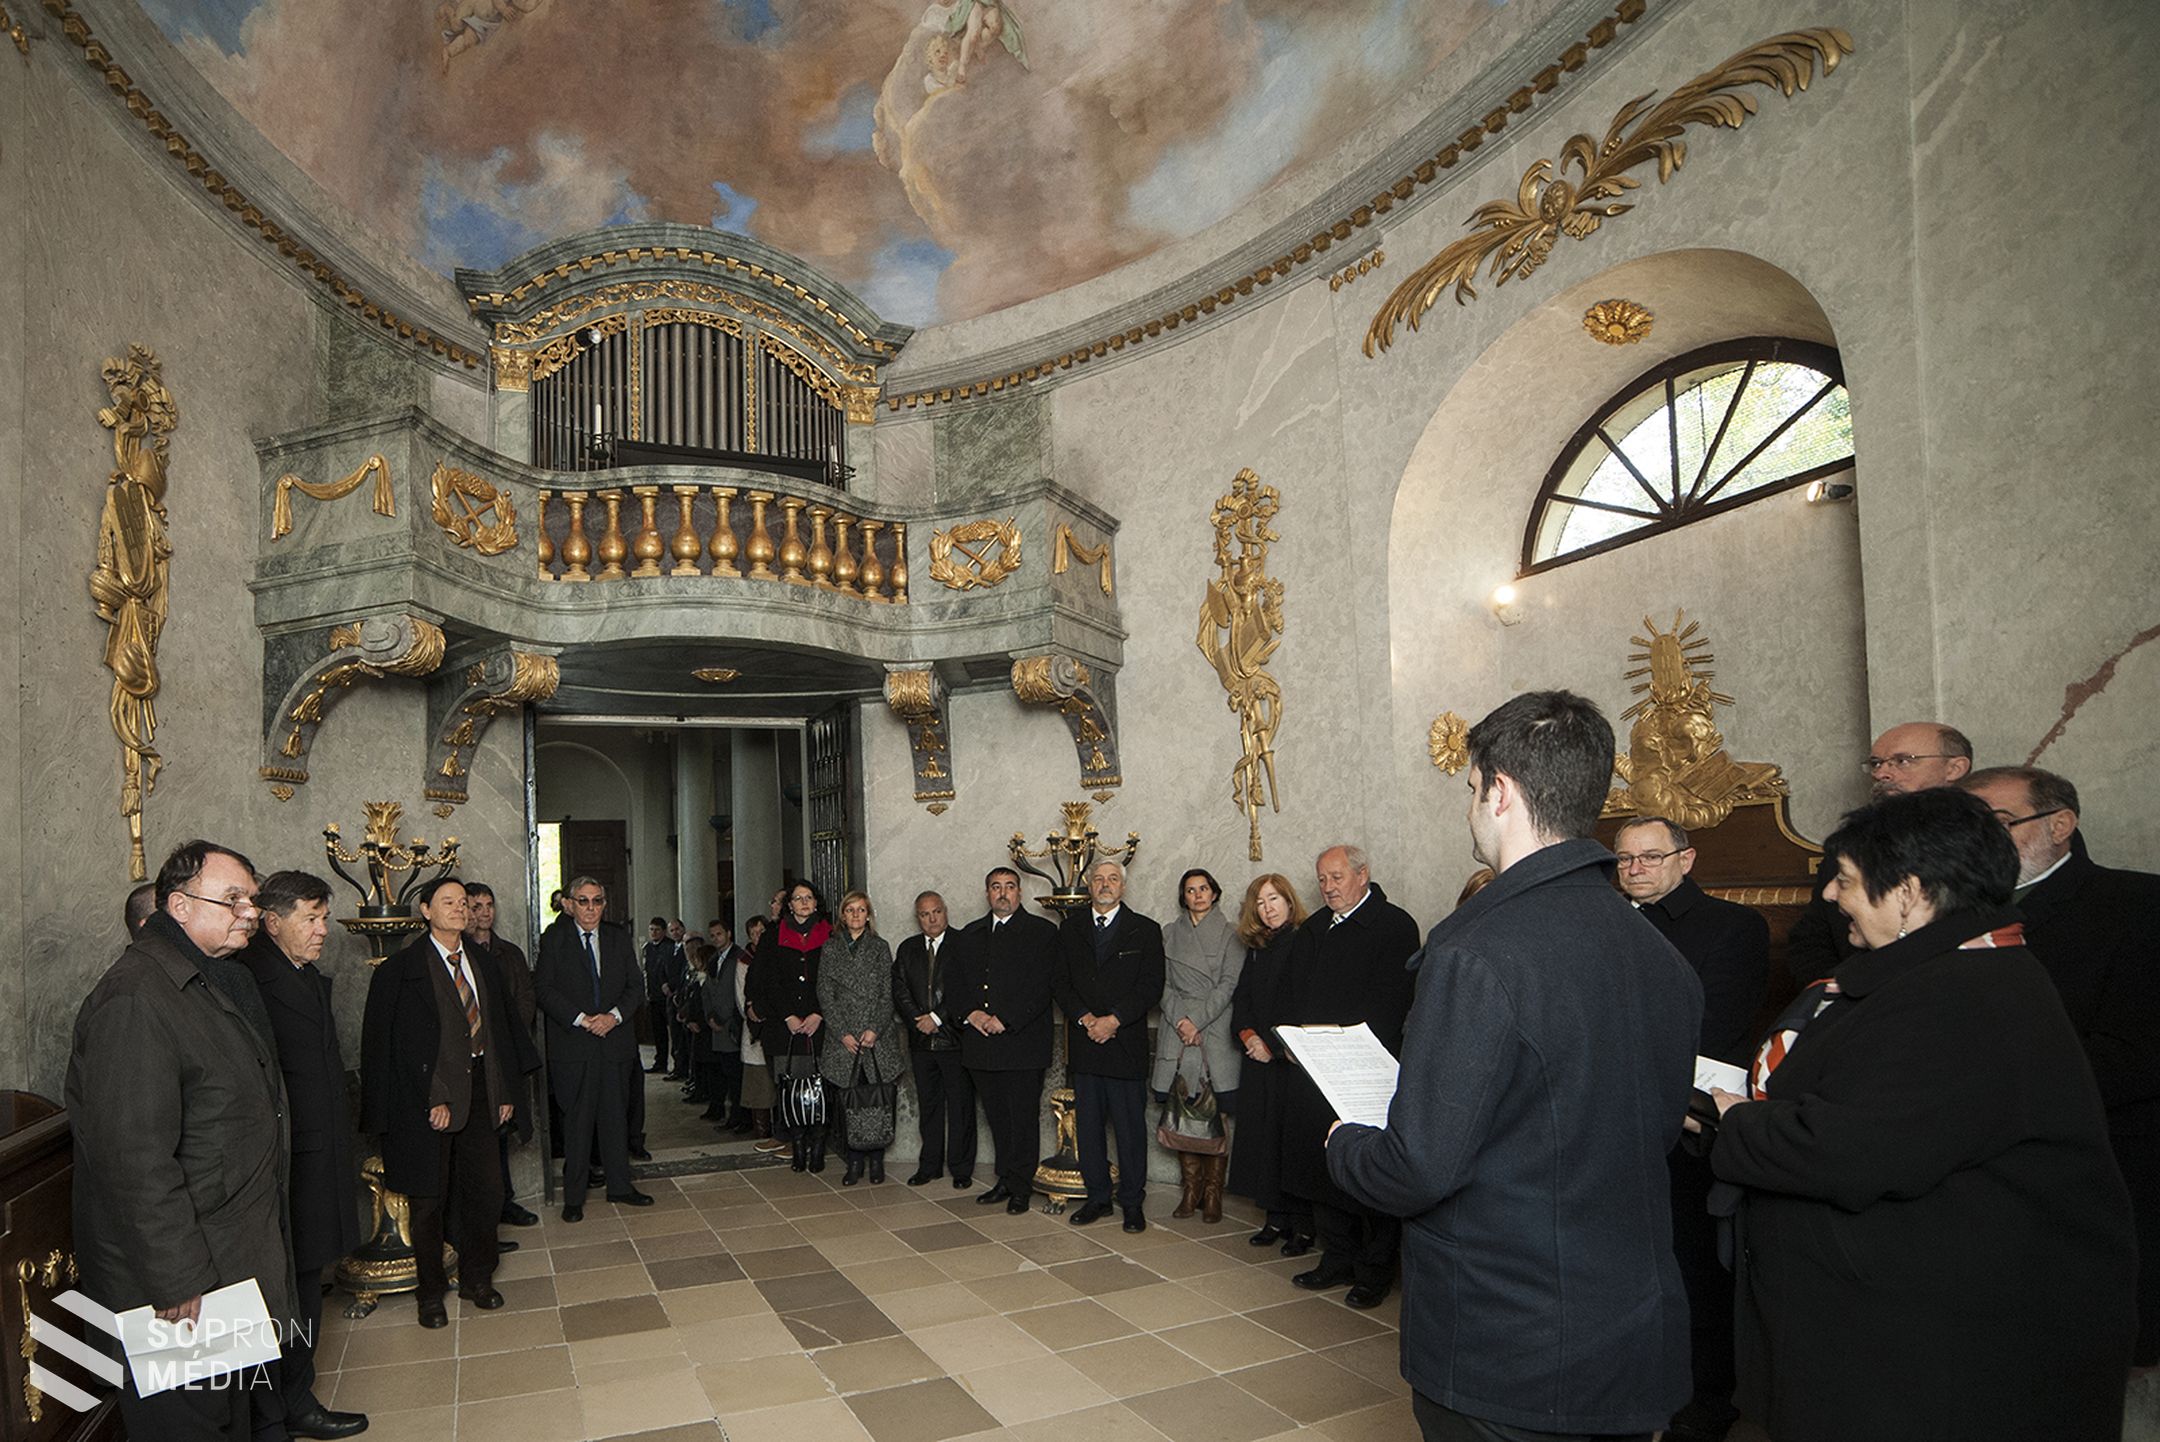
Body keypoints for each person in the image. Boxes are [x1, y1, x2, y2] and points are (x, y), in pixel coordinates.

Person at [1328, 691, 1702, 1441]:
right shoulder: (1660, 955)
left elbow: (1419, 1167)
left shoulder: (1476, 951)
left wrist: (1345, 1144)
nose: (1469, 806)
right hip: (1632, 1329)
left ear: (1500, 792)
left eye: (1471, 789)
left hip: (1513, 1344)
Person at [1710, 787, 2135, 1441]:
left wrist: (1734, 1121)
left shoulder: (1964, 996)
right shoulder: (1936, 975)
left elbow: (1850, 1150)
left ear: (1907, 894)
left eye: (1845, 881)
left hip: (1942, 1364)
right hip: (1887, 1341)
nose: (1828, 897)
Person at [68, 840, 292, 1440]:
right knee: (190, 1426)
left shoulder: (204, 979)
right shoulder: (137, 997)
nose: (250, 910)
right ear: (179, 906)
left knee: (227, 1421)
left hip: (222, 1259)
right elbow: (132, 1158)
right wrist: (176, 1278)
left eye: (252, 896)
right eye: (233, 898)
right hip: (178, 1289)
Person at [1963, 764, 2160, 1366]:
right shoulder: (1951, 911)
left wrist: (1992, 1093)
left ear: (2061, 824)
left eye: (1999, 824)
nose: (1982, 843)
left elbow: (2139, 1052)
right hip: (1980, 1171)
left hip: (2103, 1159)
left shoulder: (2138, 904)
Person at [1613, 816, 1767, 1442]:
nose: (1636, 868)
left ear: (1687, 858)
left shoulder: (1733, 926)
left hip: (1686, 1126)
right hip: (1609, 1127)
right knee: (1627, 1268)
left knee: (1694, 1274)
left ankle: (1706, 1405)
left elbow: (1714, 1031)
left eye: (1650, 856)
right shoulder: (1607, 923)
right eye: (1624, 859)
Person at [360, 877, 535, 1327]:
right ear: (425, 910)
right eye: (449, 902)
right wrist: (431, 1098)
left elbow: (497, 1034)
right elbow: (393, 1048)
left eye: (464, 902)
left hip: (481, 1094)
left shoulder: (483, 962)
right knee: (429, 1201)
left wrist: (503, 1092)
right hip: (427, 1101)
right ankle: (431, 1292)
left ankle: (479, 1277)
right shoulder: (399, 971)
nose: (460, 909)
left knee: (486, 1191)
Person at [238, 870, 367, 1440]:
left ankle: (295, 1395)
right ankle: (282, 1408)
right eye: (311, 919)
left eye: (323, 917)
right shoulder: (250, 978)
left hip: (320, 1153)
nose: (322, 930)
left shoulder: (302, 973)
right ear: (272, 920)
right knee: (283, 1288)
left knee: (307, 1280)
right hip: (288, 1162)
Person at [1280, 844, 1419, 1308]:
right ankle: (1335, 1257)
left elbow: (1392, 1001)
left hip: (1365, 1071)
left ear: (1363, 875)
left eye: (1337, 877)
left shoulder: (1395, 925)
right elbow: (1295, 994)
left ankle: (1375, 1270)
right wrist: (1296, 1041)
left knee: (1369, 1168)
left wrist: (1347, 1047)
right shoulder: (1313, 929)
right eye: (1322, 879)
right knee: (1321, 1165)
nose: (1328, 887)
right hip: (1316, 1070)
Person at [1784, 721, 1972, 983]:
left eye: (1903, 761)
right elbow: (1811, 940)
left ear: (1955, 768)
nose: (1882, 773)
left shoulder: (1980, 845)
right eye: (1876, 763)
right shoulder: (1852, 846)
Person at [1054, 858, 1165, 1233]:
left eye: (1112, 879)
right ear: (1089, 885)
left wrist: (1114, 1019)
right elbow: (1060, 983)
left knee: (1130, 1129)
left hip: (1124, 1044)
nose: (1105, 884)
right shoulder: (1070, 929)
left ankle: (1132, 1201)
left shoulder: (1145, 930)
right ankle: (1098, 1198)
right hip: (1086, 1044)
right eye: (1098, 879)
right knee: (1088, 1128)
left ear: (1123, 887)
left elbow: (1151, 986)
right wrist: (1086, 1019)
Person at [533, 876, 653, 1220]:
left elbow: (635, 986)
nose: (590, 908)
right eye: (583, 901)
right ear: (570, 904)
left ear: (604, 903)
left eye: (596, 901)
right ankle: (574, 1197)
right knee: (577, 1123)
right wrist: (582, 1019)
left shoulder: (617, 937)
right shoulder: (554, 938)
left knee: (616, 1117)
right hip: (574, 1045)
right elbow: (543, 989)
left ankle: (620, 1187)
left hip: (614, 1043)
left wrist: (613, 1018)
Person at [952, 866, 1057, 1212]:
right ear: (987, 894)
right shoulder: (971, 934)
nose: (1003, 893)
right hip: (981, 1045)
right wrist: (973, 1014)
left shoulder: (1042, 932)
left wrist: (1006, 1020)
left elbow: (1043, 987)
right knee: (997, 1118)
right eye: (996, 887)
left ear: (1020, 893)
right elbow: (955, 985)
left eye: (1010, 887)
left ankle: (1022, 1186)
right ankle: (1005, 1179)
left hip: (1023, 1044)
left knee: (1022, 1119)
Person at [1225, 872, 1311, 1253]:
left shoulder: (1305, 942)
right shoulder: (1258, 948)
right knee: (1263, 1142)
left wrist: (1274, 1048)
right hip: (1258, 1059)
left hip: (1290, 1061)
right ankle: (1274, 1218)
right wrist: (1249, 1036)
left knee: (1291, 1143)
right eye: (1260, 902)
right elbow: (1241, 1000)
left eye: (1274, 899)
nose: (1267, 908)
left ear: (1290, 901)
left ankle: (1302, 1227)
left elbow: (1306, 1005)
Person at [1153, 867, 1241, 1223]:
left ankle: (1213, 1193)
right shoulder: (1169, 933)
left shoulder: (1232, 935)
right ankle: (1190, 1191)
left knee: (1215, 1114)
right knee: (1181, 1109)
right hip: (1178, 1027)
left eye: (1204, 889)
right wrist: (1182, 1022)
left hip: (1215, 1028)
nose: (1198, 895)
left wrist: (1198, 1021)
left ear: (1215, 893)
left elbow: (1228, 984)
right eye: (1191, 890)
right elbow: (1161, 983)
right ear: (1183, 896)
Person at [464, 880, 541, 1230]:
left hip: (503, 1054)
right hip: (469, 1059)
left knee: (502, 1131)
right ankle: (482, 1210)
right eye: (476, 906)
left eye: (489, 905)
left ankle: (504, 1202)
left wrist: (508, 1038)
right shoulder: (458, 951)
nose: (484, 912)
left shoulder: (510, 953)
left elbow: (525, 998)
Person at [819, 891, 903, 1185]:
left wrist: (874, 1029)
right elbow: (825, 994)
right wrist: (842, 1032)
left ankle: (877, 1162)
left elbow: (887, 993)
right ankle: (853, 1162)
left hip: (874, 1037)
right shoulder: (830, 949)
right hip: (845, 1039)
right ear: (842, 915)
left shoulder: (880, 948)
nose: (855, 915)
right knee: (849, 1102)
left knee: (876, 1100)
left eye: (861, 910)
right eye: (850, 910)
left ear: (868, 915)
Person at [894, 890, 976, 1187]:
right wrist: (919, 1020)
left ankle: (961, 1168)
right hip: (921, 1042)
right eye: (925, 914)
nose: (932, 919)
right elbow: (899, 988)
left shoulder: (963, 944)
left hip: (954, 1040)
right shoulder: (908, 948)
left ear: (945, 911)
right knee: (928, 1106)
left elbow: (965, 989)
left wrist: (937, 1018)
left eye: (936, 912)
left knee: (960, 1106)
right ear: (918, 918)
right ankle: (929, 1165)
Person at [750, 881, 832, 1172]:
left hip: (819, 1025)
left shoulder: (830, 934)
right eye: (798, 898)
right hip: (784, 1027)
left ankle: (818, 1145)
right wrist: (788, 1015)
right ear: (790, 905)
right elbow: (765, 980)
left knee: (818, 1089)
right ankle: (797, 1146)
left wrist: (818, 1013)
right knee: (792, 1089)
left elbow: (835, 980)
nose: (804, 902)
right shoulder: (773, 936)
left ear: (816, 902)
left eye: (809, 897)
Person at [695, 921, 746, 1126]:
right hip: (716, 1025)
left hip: (732, 1025)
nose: (716, 938)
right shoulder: (714, 960)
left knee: (736, 1075)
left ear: (728, 934)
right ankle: (728, 1114)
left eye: (719, 934)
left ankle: (739, 1116)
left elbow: (738, 991)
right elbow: (707, 992)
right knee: (722, 1072)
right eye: (712, 935)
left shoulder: (738, 957)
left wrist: (726, 1018)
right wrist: (710, 1017)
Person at [642, 916, 674, 1075]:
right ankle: (660, 1061)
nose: (653, 933)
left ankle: (678, 1063)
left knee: (674, 1032)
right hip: (653, 995)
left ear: (663, 931)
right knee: (658, 1032)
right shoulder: (647, 948)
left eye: (656, 930)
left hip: (667, 995)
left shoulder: (670, 946)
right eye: (651, 930)